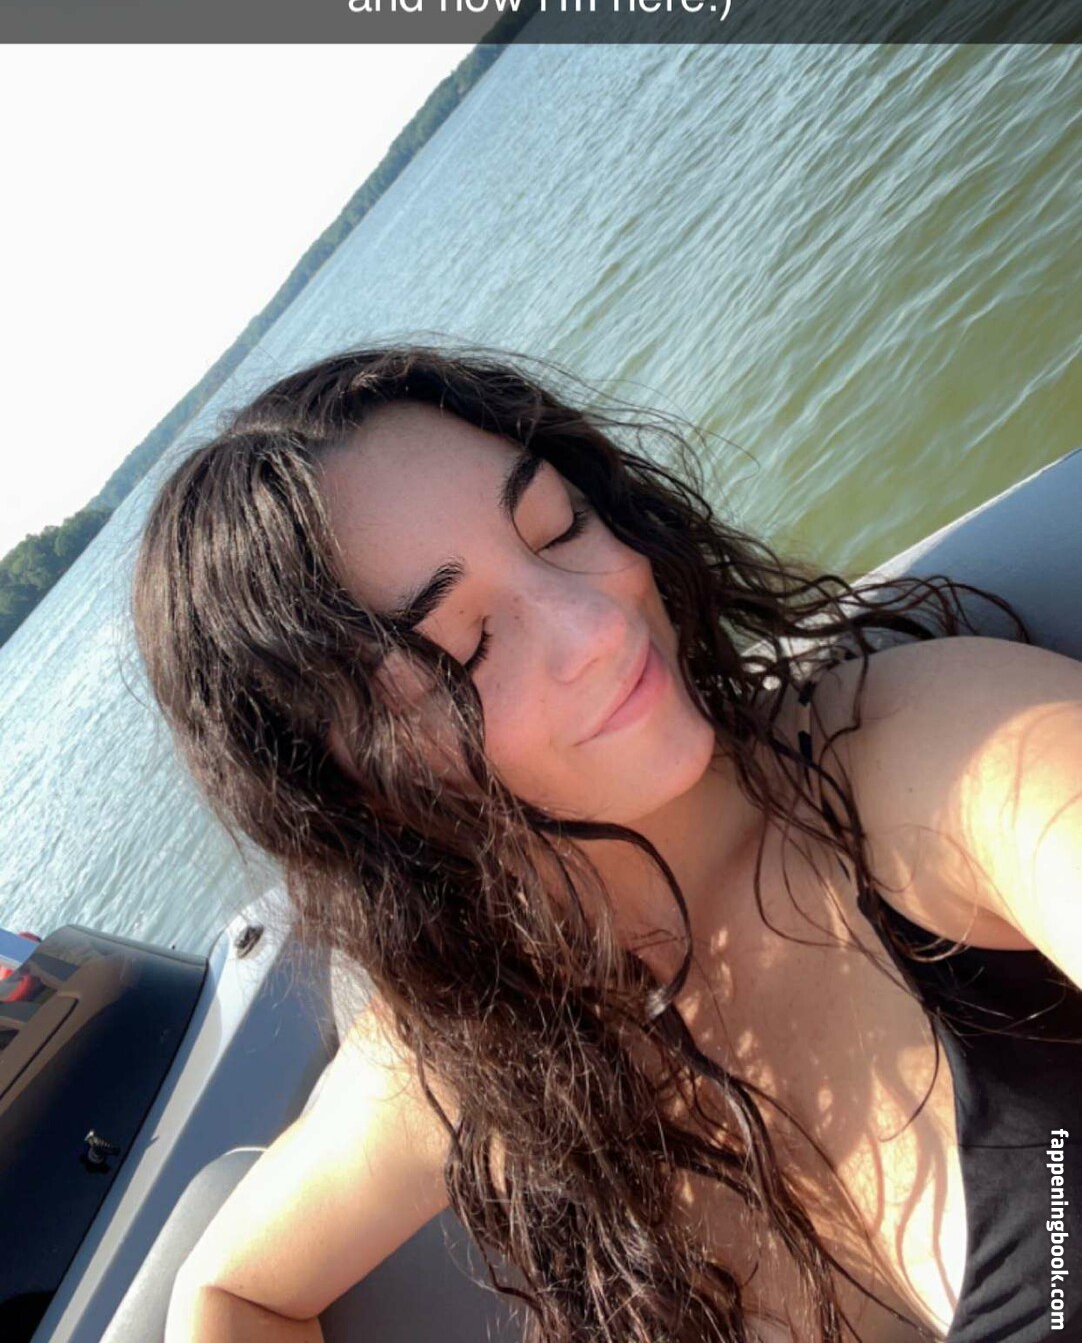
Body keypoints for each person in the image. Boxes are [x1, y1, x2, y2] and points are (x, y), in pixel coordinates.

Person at [132, 344, 1082, 1343]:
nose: (594, 622)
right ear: (358, 790)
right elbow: (229, 1289)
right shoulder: (470, 1052)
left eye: (559, 527)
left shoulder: (926, 757)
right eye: (462, 649)